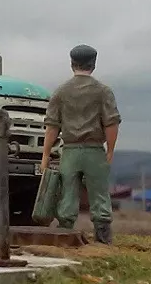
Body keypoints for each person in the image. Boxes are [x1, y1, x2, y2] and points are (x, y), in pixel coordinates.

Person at [40, 44, 121, 244]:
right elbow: (111, 123)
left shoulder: (60, 92)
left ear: (72, 64)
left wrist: (46, 153)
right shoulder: (103, 91)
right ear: (93, 64)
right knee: (100, 194)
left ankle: (65, 234)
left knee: (67, 193)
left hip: (70, 150)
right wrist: (110, 150)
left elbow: (52, 126)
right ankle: (103, 238)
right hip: (94, 149)